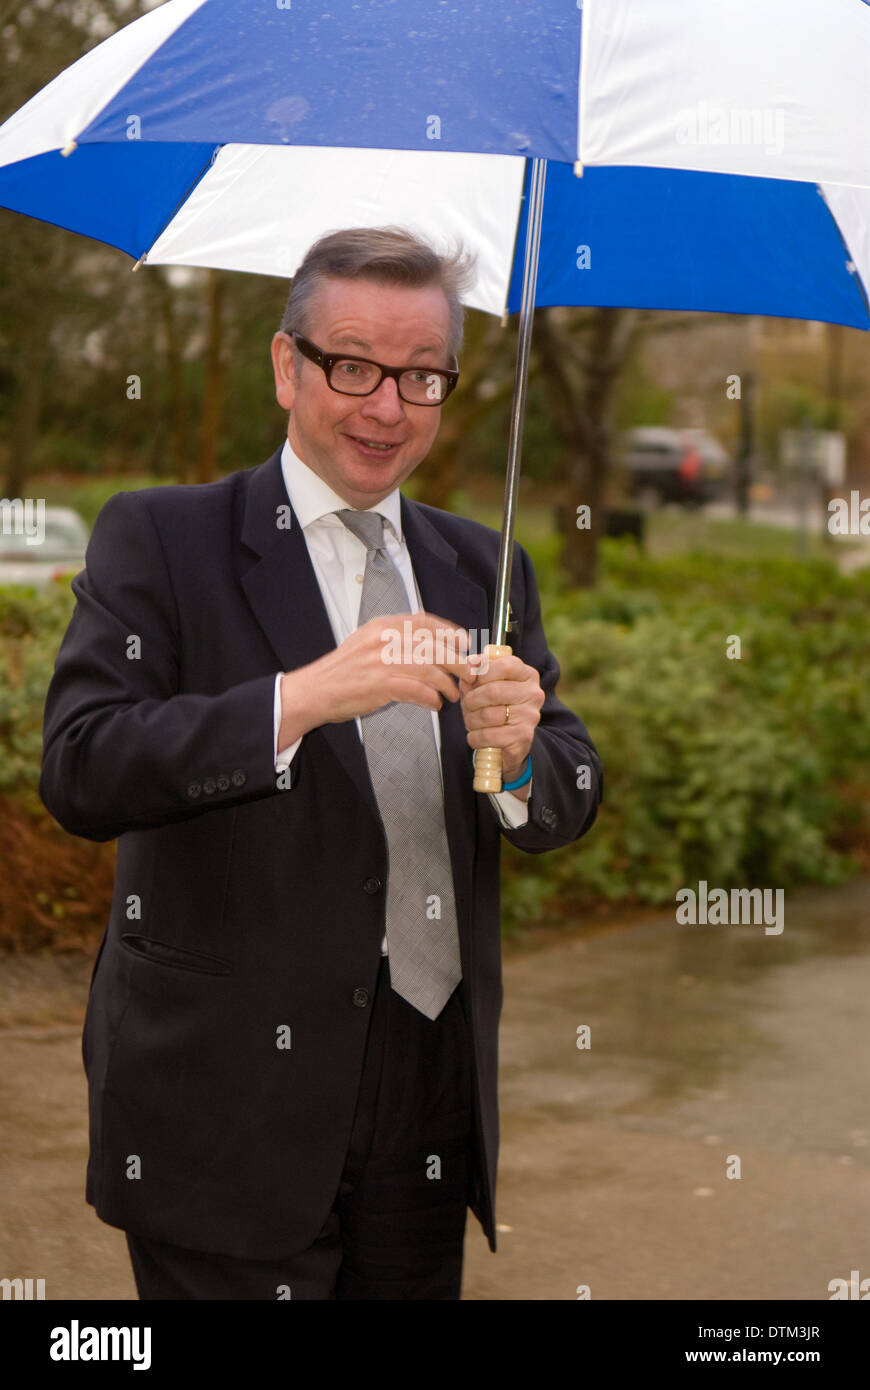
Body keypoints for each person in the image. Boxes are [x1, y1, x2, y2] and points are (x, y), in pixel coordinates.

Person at [39, 226, 603, 1300]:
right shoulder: (162, 539)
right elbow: (83, 767)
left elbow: (565, 788)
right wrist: (301, 700)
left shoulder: (485, 566)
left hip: (428, 1094)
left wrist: (524, 756)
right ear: (286, 365)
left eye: (423, 376)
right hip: (224, 1103)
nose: (389, 406)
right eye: (354, 365)